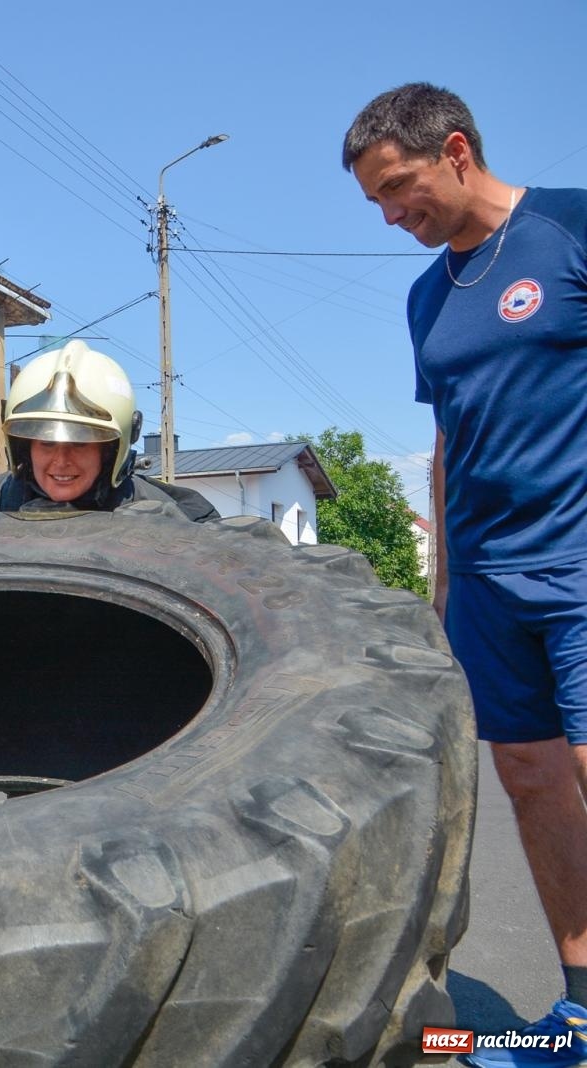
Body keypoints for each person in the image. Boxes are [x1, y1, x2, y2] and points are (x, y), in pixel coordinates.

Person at [344, 83, 587, 1067]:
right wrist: (443, 589)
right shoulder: (425, 296)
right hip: (488, 582)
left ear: (453, 150)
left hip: (578, 561)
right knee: (531, 781)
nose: (393, 215)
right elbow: (444, 445)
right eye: (375, 203)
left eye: (399, 189)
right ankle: (578, 1007)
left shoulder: (567, 226)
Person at [0, 339, 218, 522]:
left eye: (80, 443)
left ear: (109, 452)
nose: (61, 461)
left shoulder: (174, 518)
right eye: (47, 443)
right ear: (23, 447)